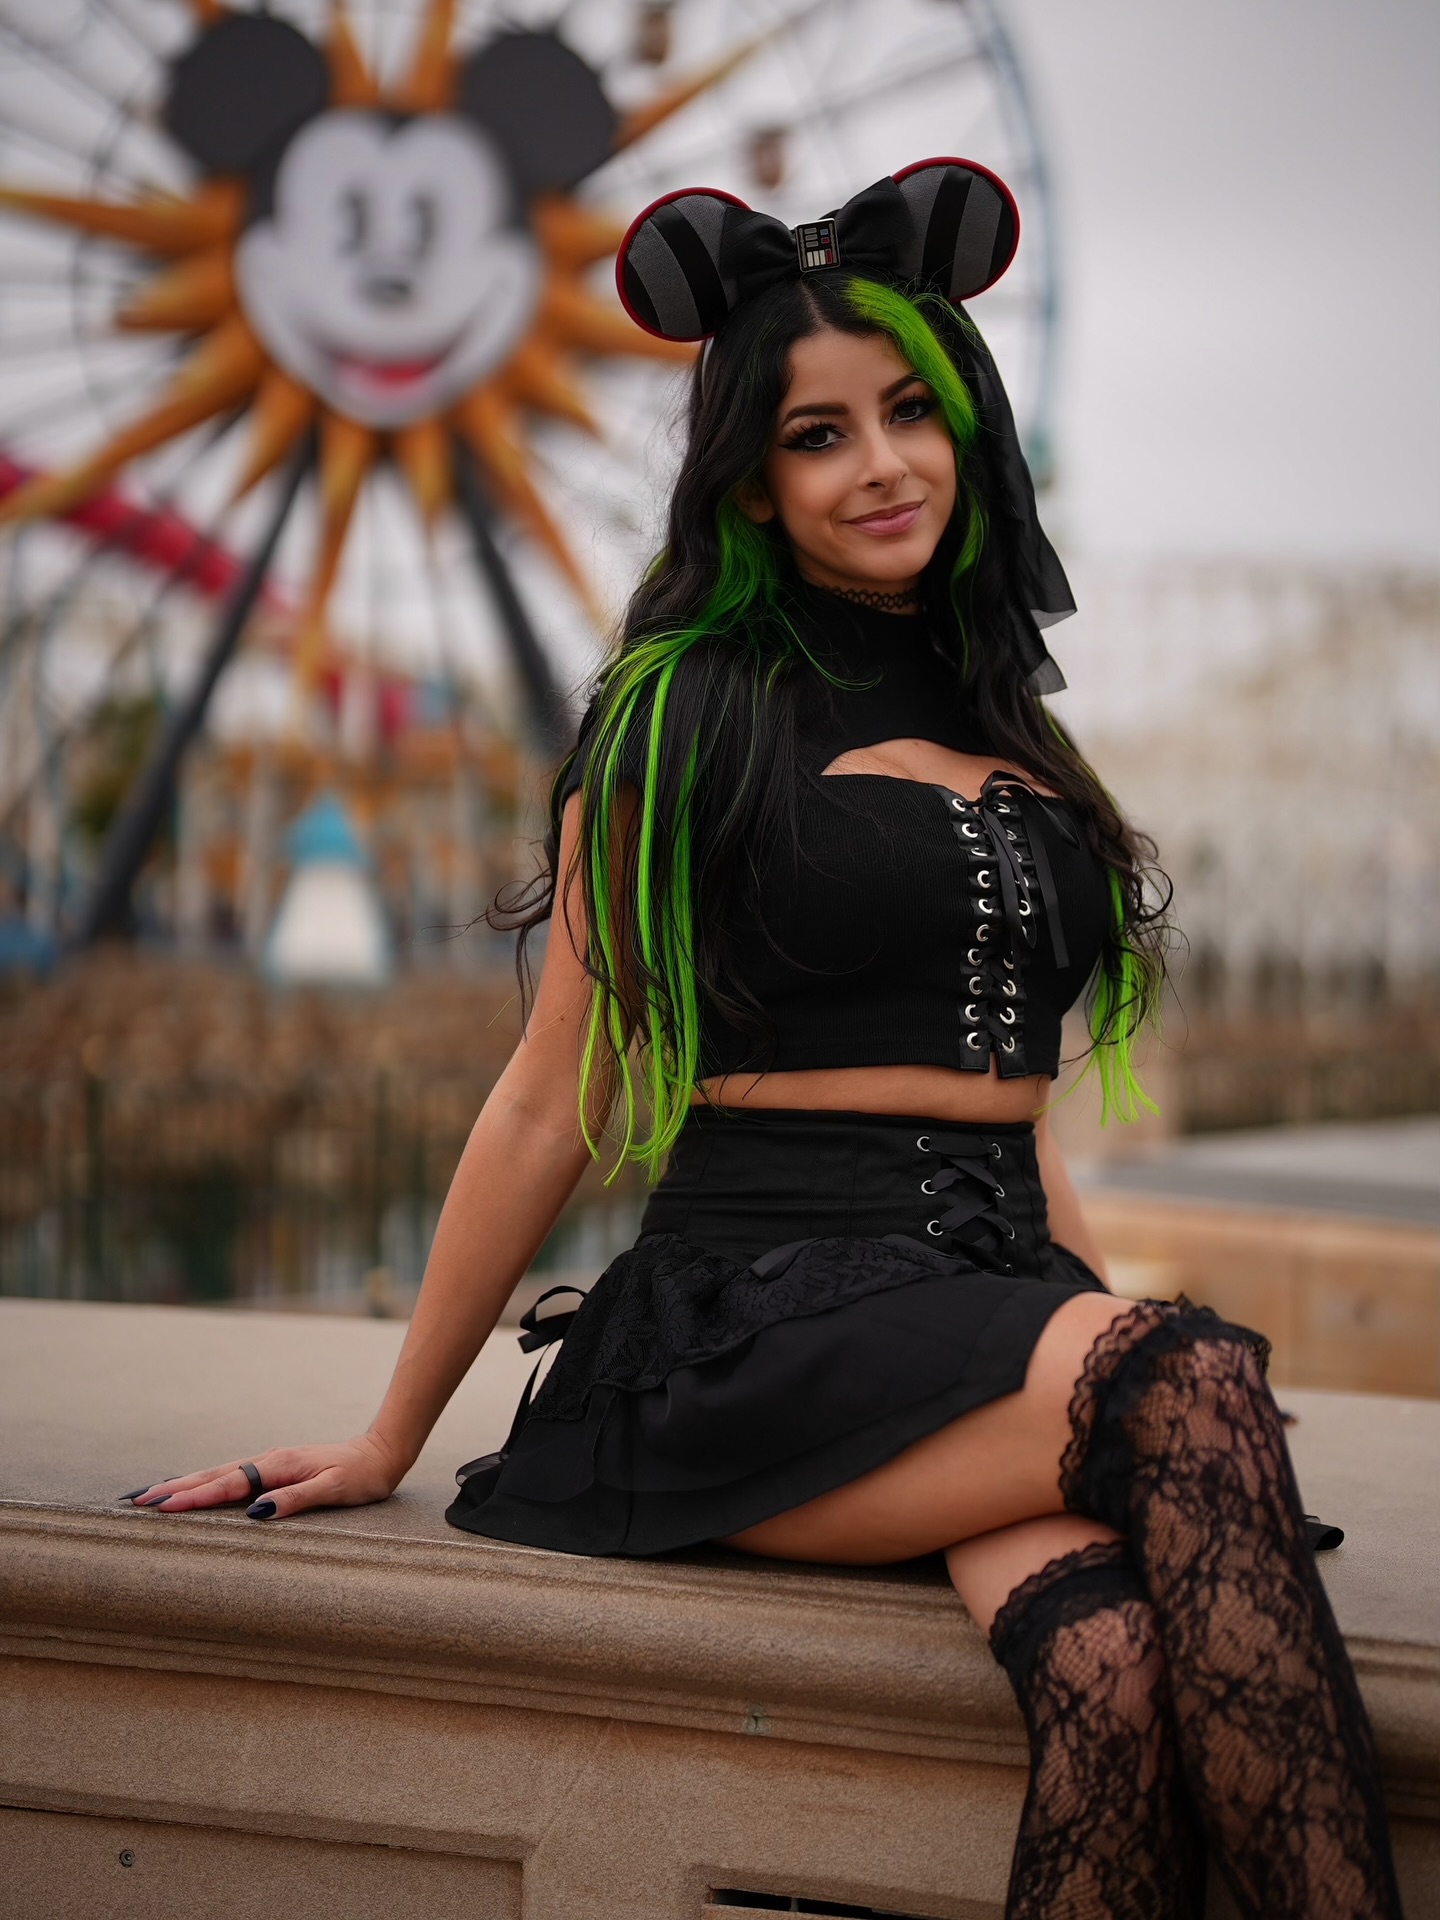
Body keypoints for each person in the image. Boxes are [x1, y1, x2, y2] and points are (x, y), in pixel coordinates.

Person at [123, 163, 1401, 1918]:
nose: (880, 464)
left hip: (986, 1307)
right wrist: (388, 1436)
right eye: (817, 436)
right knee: (1200, 1375)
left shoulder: (1007, 721)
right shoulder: (683, 713)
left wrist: (1105, 1342)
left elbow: (1022, 1120)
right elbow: (549, 1094)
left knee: (1110, 1678)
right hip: (769, 1314)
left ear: (970, 431)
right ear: (752, 477)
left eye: (908, 414)